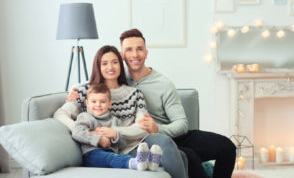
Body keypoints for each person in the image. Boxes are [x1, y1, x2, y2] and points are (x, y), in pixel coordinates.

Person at [54, 45, 188, 178]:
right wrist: (87, 132)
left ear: (121, 65)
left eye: (115, 62)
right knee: (179, 155)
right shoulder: (86, 92)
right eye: (104, 63)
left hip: (135, 145)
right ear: (98, 67)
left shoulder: (134, 93)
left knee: (175, 150)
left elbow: (142, 128)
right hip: (106, 150)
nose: (110, 67)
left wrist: (115, 132)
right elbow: (60, 114)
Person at [119, 28, 236, 178]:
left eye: (139, 49)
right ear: (122, 55)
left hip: (171, 135)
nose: (135, 54)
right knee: (189, 156)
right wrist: (77, 93)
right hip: (150, 142)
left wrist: (157, 128)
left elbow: (181, 123)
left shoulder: (163, 83)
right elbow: (95, 88)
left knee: (227, 147)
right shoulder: (117, 81)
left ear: (146, 53)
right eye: (129, 50)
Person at [72, 83, 163, 171]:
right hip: (91, 154)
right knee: (110, 158)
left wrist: (116, 136)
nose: (98, 105)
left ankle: (149, 164)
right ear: (87, 103)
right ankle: (136, 163)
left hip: (113, 153)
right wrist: (98, 139)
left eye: (103, 101)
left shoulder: (114, 120)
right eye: (94, 101)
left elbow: (123, 144)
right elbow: (77, 132)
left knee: (121, 157)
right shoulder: (85, 117)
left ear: (109, 103)